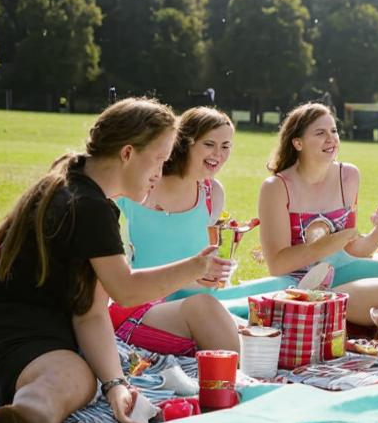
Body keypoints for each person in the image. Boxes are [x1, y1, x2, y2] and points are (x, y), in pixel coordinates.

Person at [0, 98, 233, 423]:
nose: (159, 172)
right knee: (75, 377)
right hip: (19, 343)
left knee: (83, 375)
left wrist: (116, 385)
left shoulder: (75, 188)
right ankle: (33, 413)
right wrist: (196, 266)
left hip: (5, 341)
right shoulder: (88, 207)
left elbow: (90, 312)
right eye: (158, 160)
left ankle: (33, 413)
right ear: (127, 153)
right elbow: (127, 290)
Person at [113, 107, 291, 337]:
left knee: (285, 285)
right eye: (209, 144)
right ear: (185, 142)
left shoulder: (212, 193)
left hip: (201, 295)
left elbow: (200, 258)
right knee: (228, 320)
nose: (218, 154)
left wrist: (214, 272)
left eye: (226, 146)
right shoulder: (142, 185)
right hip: (152, 300)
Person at [257, 103, 378, 324]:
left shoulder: (349, 176)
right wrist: (333, 241)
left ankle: (336, 313)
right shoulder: (276, 187)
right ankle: (319, 312)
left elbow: (354, 250)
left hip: (343, 270)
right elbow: (277, 265)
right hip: (299, 285)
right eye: (320, 133)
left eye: (333, 131)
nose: (331, 138)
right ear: (298, 142)